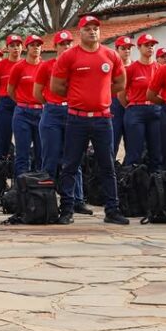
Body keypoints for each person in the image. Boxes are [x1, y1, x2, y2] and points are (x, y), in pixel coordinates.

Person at [51, 15, 128, 225]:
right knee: (70, 165)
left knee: (107, 166)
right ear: (80, 32)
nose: (92, 31)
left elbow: (120, 83)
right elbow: (56, 86)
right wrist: (78, 96)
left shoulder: (110, 55)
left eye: (95, 28)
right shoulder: (69, 56)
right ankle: (67, 209)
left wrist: (100, 94)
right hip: (77, 119)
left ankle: (112, 210)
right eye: (88, 28)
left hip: (103, 119)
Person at [34, 30, 91, 215]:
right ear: (55, 46)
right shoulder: (47, 66)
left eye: (69, 43)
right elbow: (37, 92)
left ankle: (77, 199)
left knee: (73, 159)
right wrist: (52, 104)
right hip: (52, 112)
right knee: (50, 159)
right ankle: (46, 201)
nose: (66, 47)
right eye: (62, 44)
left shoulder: (78, 65)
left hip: (73, 111)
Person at [8, 35, 44, 177]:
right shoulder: (19, 67)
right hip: (23, 113)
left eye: (38, 45)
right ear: (27, 48)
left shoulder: (45, 66)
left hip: (42, 113)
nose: (36, 47)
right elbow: (10, 91)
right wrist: (23, 101)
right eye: (32, 45)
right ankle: (21, 185)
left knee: (42, 152)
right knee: (22, 153)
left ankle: (40, 184)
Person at [122, 33, 161, 168]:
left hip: (156, 111)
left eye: (152, 45)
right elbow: (122, 92)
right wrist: (130, 106)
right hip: (136, 111)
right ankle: (131, 177)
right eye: (146, 45)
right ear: (139, 48)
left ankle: (156, 178)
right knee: (135, 151)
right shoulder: (131, 69)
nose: (150, 47)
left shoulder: (159, 69)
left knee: (157, 151)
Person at [0, 35, 23, 160]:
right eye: (12, 46)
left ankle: (21, 169)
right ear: (7, 48)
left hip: (22, 104)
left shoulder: (26, 64)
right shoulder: (0, 66)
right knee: (3, 140)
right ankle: (1, 166)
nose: (15, 48)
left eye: (18, 45)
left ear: (22, 47)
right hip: (5, 104)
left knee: (22, 140)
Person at [146, 50, 166, 165]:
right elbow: (150, 95)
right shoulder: (164, 70)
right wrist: (165, 102)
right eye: (162, 57)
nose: (165, 59)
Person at [112, 36, 134, 162]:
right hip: (115, 106)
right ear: (117, 49)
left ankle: (130, 169)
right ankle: (110, 168)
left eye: (129, 48)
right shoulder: (111, 68)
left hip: (132, 105)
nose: (127, 51)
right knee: (113, 139)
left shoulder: (136, 66)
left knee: (132, 141)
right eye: (123, 48)